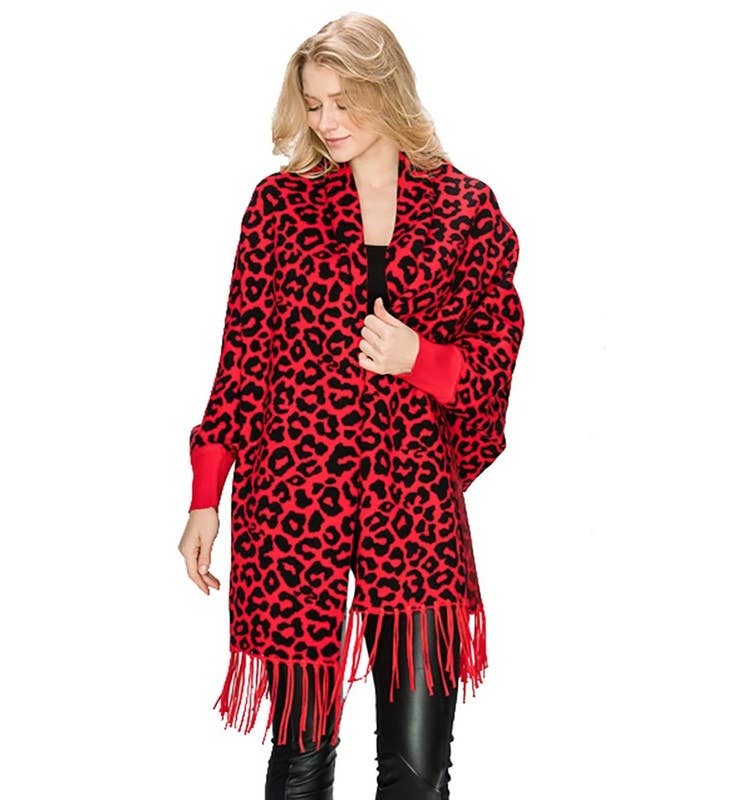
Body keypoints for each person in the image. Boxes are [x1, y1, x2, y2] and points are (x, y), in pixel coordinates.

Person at [177, 12, 525, 800]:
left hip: (413, 496)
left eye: (343, 101)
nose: (326, 121)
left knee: (418, 772)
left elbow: (497, 347)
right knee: (301, 760)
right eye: (313, 104)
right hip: (292, 494)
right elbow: (242, 360)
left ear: (387, 91)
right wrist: (205, 497)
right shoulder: (279, 208)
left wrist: (421, 360)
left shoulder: (466, 209)